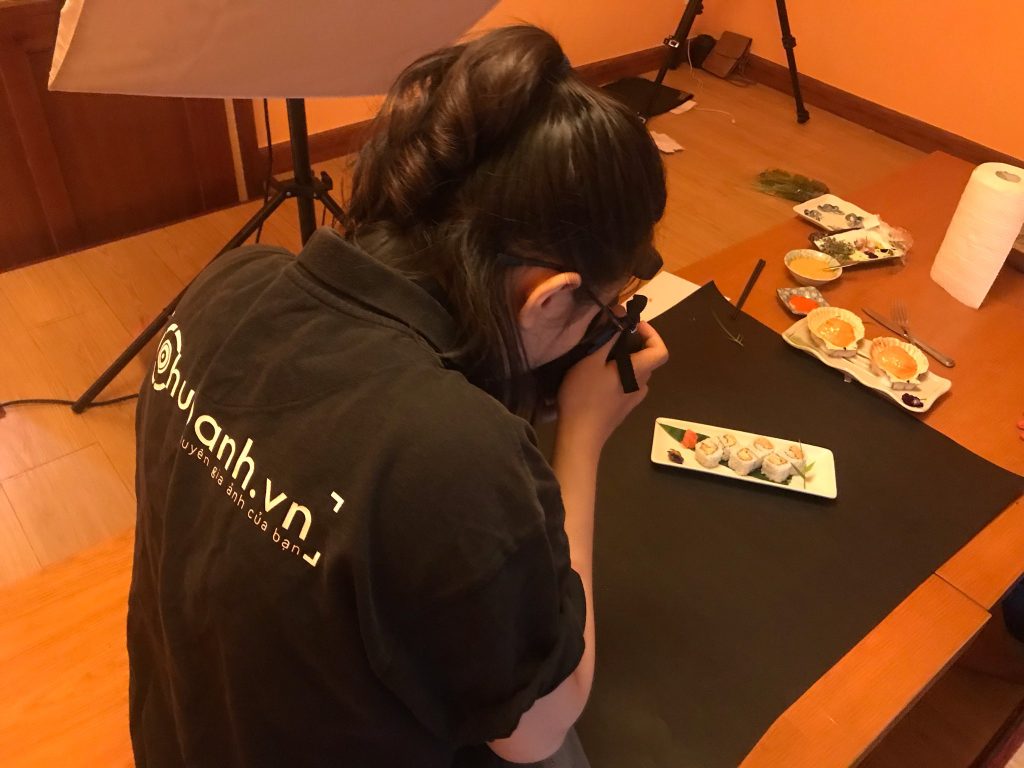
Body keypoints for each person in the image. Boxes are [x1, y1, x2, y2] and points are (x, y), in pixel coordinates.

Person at [129, 24, 668, 768]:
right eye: (603, 309)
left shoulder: (230, 283)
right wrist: (582, 431)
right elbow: (536, 727)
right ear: (549, 298)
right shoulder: (453, 455)